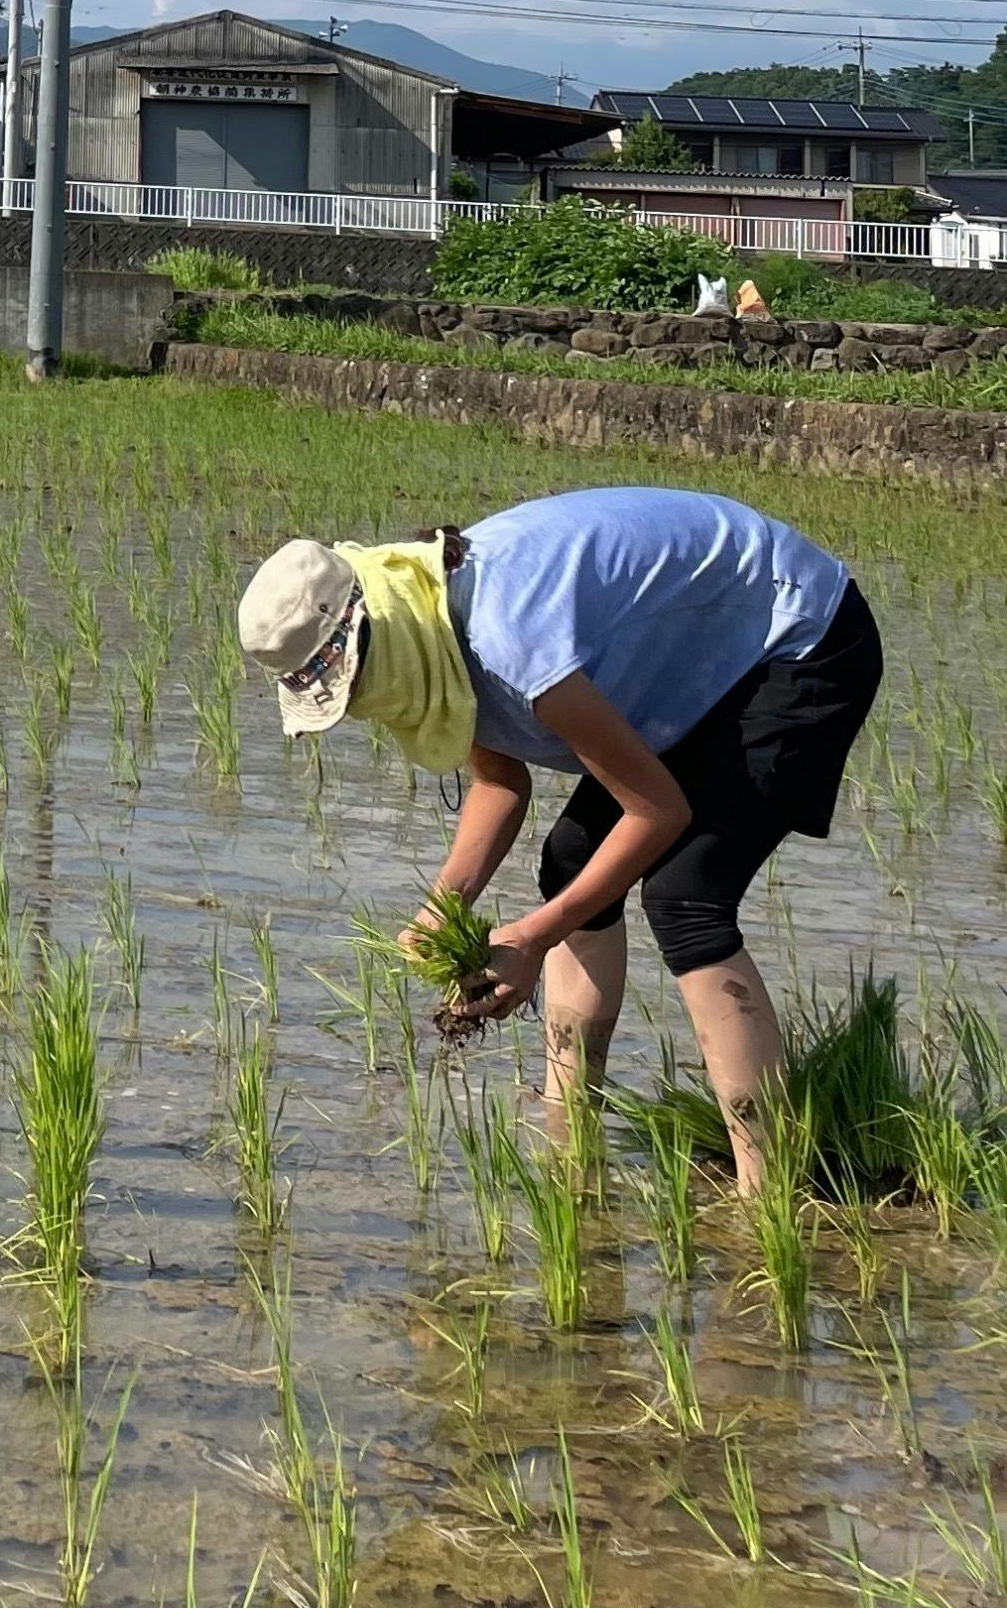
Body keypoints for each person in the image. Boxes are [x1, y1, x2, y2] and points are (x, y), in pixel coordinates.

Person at [237, 487, 883, 1192]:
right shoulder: (424, 617)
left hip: (799, 639)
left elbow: (656, 811)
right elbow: (499, 784)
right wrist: (442, 905)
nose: (359, 706)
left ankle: (769, 1189)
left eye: (351, 687)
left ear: (368, 639)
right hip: (705, 664)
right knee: (571, 861)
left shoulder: (507, 637)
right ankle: (570, 1129)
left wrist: (535, 937)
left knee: (687, 897)